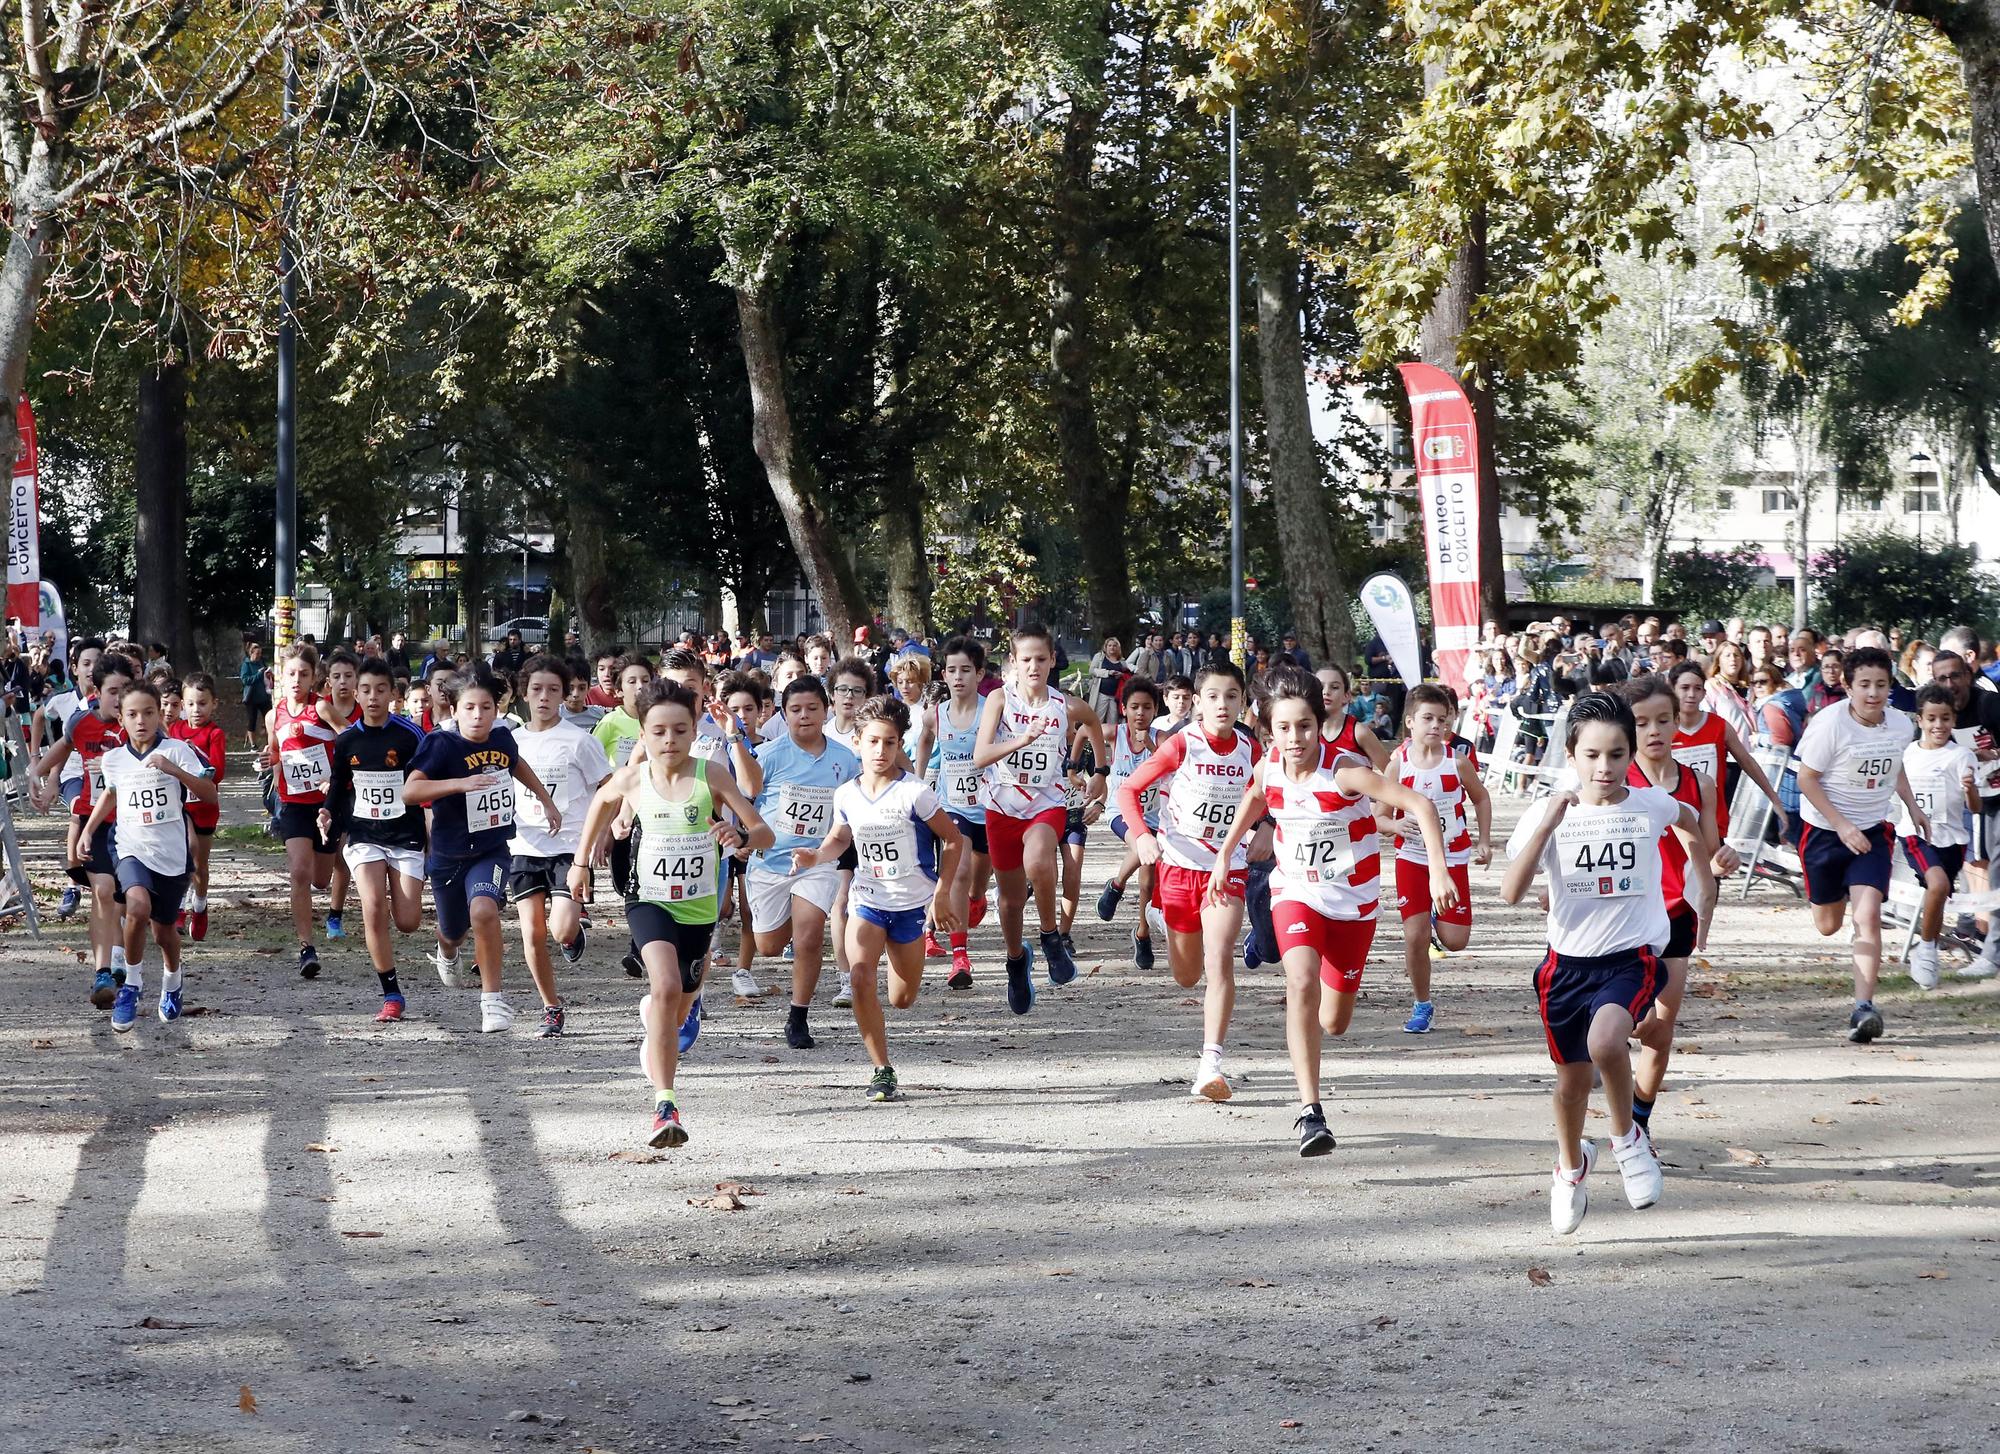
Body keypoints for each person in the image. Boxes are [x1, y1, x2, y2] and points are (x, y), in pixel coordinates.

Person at [1208, 668, 1453, 1154]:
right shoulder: (1268, 767)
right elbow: (1253, 799)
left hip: (1353, 907)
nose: (1295, 738)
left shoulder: (1345, 772)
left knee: (1334, 1021)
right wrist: (1224, 855)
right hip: (1296, 892)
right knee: (1298, 980)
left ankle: (1324, 1011)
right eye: (1283, 728)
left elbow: (1421, 805)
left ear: (1318, 723)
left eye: (1305, 726)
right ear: (1268, 730)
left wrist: (1439, 871)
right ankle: (1310, 1113)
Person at [1500, 692, 1686, 1234]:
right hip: (1565, 969)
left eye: (1617, 754)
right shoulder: (1552, 811)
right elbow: (1512, 893)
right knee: (1571, 1085)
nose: (1604, 767)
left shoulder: (1649, 804)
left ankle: (1629, 1141)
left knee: (1608, 1042)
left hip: (1629, 961)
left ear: (1631, 755)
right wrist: (1546, 826)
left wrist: (1710, 861)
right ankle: (1570, 1166)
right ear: (1571, 755)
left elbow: (1692, 818)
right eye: (1592, 755)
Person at [573, 679, 770, 1147]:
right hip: (650, 901)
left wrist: (738, 837)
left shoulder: (711, 776)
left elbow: (764, 832)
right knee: (664, 985)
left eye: (680, 731)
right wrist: (581, 864)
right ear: (642, 733)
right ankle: (665, 1106)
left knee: (678, 1006)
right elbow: (600, 802)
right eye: (658, 731)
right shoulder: (634, 779)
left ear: (694, 728)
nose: (669, 741)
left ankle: (661, 1020)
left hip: (699, 910)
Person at [791, 696, 961, 1104]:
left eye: (889, 742)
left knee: (902, 999)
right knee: (860, 975)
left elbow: (954, 840)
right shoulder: (847, 793)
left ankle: (891, 1016)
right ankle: (882, 1070)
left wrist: (941, 893)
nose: (881, 751)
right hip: (867, 899)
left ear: (900, 742)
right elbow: (840, 836)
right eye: (872, 742)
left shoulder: (915, 793)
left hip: (911, 905)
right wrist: (816, 854)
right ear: (858, 743)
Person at [1113, 661, 1254, 1099]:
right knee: (1186, 975)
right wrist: (1142, 836)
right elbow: (1127, 791)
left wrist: (1264, 828)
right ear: (1197, 702)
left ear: (1242, 702)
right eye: (1212, 696)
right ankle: (1160, 916)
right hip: (1177, 867)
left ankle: (1211, 1063)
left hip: (1225, 870)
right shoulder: (1182, 745)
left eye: (1231, 696)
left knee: (1220, 958)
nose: (1222, 705)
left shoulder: (1252, 751)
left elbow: (1269, 794)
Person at [402, 671, 563, 1033]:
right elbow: (410, 792)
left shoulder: (503, 739)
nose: (478, 715)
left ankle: (493, 1002)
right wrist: (460, 783)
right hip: (448, 854)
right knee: (453, 930)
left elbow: (516, 764)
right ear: (454, 710)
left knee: (485, 910)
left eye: (486, 707)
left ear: (497, 709)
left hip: (490, 849)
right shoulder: (440, 744)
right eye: (470, 708)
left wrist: (545, 799)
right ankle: (446, 950)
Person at [1619, 676, 1735, 1143]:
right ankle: (1608, 1061)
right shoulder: (1614, 780)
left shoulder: (1699, 783)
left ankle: (1639, 1120)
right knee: (1623, 1020)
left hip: (1676, 914)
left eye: (1663, 720)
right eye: (1642, 722)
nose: (1654, 731)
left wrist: (1722, 858)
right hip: (1623, 917)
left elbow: (1709, 851)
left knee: (1660, 1028)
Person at [973, 624, 1108, 1008]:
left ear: (1052, 661)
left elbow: (1093, 723)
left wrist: (1100, 772)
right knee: (1011, 901)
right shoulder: (1000, 699)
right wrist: (1021, 740)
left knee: (1039, 859)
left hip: (1046, 803)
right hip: (1001, 806)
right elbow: (981, 756)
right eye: (1025, 659)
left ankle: (1051, 937)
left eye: (1040, 659)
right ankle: (1016, 962)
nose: (1033, 666)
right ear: (1012, 663)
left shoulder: (1064, 705)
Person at [1793, 646, 1923, 1043]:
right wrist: (1840, 825)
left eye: (1881, 685)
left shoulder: (1901, 725)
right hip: (1823, 832)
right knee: (1828, 925)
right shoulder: (1829, 725)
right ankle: (1832, 897)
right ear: (1848, 686)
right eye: (1864, 685)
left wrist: (1912, 806)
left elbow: (1894, 764)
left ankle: (1864, 1008)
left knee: (1867, 917)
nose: (1873, 693)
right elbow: (1806, 779)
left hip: (1871, 831)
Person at [75, 682, 216, 1031]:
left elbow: (210, 795)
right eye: (133, 714)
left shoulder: (178, 750)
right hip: (130, 848)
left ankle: (172, 981)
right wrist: (89, 831)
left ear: (161, 714)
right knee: (136, 907)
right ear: (120, 718)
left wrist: (174, 770)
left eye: (149, 712)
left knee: (165, 933)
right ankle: (132, 987)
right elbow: (111, 794)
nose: (141, 720)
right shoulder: (114, 758)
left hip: (170, 854)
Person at [738, 676, 860, 1049]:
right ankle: (793, 910)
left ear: (826, 711)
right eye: (795, 710)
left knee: (808, 937)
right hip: (770, 862)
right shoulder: (770, 753)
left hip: (818, 860)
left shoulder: (844, 759)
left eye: (812, 709)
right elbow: (748, 793)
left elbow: (854, 808)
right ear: (782, 714)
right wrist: (742, 836)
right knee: (770, 946)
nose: (804, 716)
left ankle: (798, 1016)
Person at [507, 655, 615, 1035]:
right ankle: (551, 1006)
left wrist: (602, 833)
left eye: (553, 689)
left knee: (560, 930)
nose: (544, 697)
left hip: (570, 847)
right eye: (536, 689)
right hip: (524, 845)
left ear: (564, 693)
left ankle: (574, 933)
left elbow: (609, 789)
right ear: (524, 693)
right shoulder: (512, 742)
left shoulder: (578, 741)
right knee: (531, 934)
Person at [320, 658, 429, 1023]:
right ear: (355, 693)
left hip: (405, 835)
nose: (372, 697)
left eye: (380, 690)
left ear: (393, 694)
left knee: (408, 921)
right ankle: (391, 994)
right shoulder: (348, 739)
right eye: (365, 690)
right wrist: (327, 812)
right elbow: (338, 784)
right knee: (372, 905)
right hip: (364, 833)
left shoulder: (410, 735)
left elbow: (427, 778)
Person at [1384, 684, 1491, 1034]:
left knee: (1456, 940)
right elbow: (1377, 815)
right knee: (1414, 937)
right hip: (1412, 858)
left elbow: (1481, 798)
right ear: (1410, 722)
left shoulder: (1456, 762)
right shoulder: (1398, 764)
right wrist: (1395, 823)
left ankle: (1434, 912)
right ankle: (1422, 1004)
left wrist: (1484, 841)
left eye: (1442, 720)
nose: (1435, 726)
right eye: (1427, 718)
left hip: (1452, 857)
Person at [37, 653, 135, 1006]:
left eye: (126, 689)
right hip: (97, 822)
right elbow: (62, 750)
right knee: (103, 892)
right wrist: (41, 776)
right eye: (113, 690)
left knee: (132, 901)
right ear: (98, 691)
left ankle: (126, 961)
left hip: (135, 825)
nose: (120, 697)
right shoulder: (82, 723)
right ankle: (103, 972)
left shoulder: (137, 726)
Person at [913, 636, 994, 989]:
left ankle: (976, 900)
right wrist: (917, 783)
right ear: (943, 675)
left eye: (965, 670)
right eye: (951, 670)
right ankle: (960, 957)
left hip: (990, 806)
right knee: (957, 873)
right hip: (953, 806)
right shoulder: (935, 714)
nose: (957, 677)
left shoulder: (992, 710)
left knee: (977, 882)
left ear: (979, 674)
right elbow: (925, 740)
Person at [1897, 684, 1982, 988]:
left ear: (1953, 719)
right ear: (1919, 719)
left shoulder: (1961, 756)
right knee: (1939, 884)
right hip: (1916, 835)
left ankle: (1925, 947)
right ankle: (1928, 951)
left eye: (1945, 718)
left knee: (1938, 893)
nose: (1938, 726)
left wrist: (1970, 789)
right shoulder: (1907, 753)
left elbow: (1975, 806)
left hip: (1953, 840)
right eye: (1931, 719)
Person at [265, 644, 339, 978]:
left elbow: (349, 738)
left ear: (314, 677)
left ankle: (327, 907)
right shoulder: (273, 714)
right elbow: (276, 753)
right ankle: (306, 947)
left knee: (321, 880)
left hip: (325, 803)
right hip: (292, 802)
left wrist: (334, 780)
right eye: (291, 673)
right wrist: (273, 765)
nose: (297, 680)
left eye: (304, 674)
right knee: (299, 872)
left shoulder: (322, 708)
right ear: (281, 675)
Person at [1093, 677, 1163, 968]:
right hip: (1121, 812)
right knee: (1142, 845)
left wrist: (1148, 742)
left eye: (1147, 707)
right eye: (1134, 706)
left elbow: (1170, 761)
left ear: (1155, 709)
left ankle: (1142, 933)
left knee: (1148, 879)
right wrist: (1092, 768)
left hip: (1155, 818)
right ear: (1124, 709)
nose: (1140, 713)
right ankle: (1117, 884)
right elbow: (1084, 729)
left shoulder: (1162, 738)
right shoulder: (1115, 733)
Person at [168, 673, 229, 942]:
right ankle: (178, 907)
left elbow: (217, 773)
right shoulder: (175, 731)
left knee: (199, 863)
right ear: (182, 704)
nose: (196, 710)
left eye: (202, 703)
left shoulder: (214, 734)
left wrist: (195, 755)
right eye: (191, 704)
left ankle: (200, 906)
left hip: (203, 806)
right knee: (181, 857)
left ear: (214, 703)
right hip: (180, 806)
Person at [1316, 665, 1389, 769]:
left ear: (1347, 696)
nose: (1326, 692)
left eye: (1334, 687)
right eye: (1320, 687)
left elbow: (1391, 773)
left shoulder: (1359, 733)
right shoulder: (1305, 732)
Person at [1087, 636, 1131, 723]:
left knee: (1113, 721)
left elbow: (1127, 674)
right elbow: (1092, 671)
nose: (1112, 647)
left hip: (1115, 696)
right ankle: (1095, 736)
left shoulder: (1122, 661)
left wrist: (1121, 674)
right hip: (1101, 693)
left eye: (1114, 645)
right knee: (1098, 718)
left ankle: (1110, 736)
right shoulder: (1099, 657)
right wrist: (1107, 673)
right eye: (1109, 645)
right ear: (1106, 647)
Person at [239, 640, 272, 751]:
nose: (259, 656)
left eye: (260, 654)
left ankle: (270, 741)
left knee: (269, 719)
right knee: (252, 721)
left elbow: (265, 674)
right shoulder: (246, 665)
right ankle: (253, 745)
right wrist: (258, 675)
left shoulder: (261, 662)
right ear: (251, 653)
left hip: (263, 697)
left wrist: (268, 674)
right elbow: (245, 680)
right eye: (257, 654)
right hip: (251, 698)